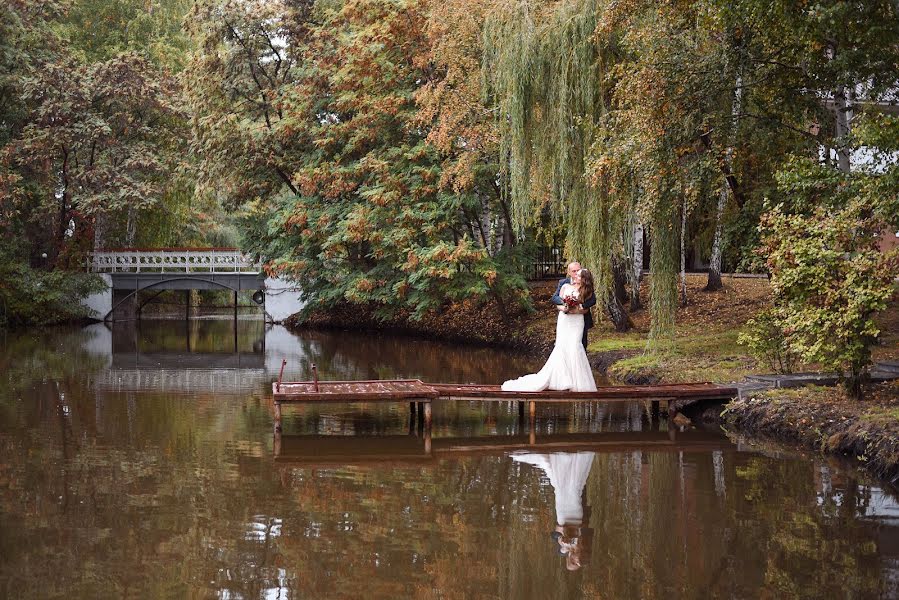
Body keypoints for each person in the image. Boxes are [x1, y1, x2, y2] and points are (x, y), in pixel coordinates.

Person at [501, 267, 597, 392]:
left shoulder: (587, 291)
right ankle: (562, 380)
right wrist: (565, 308)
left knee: (575, 346)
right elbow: (558, 303)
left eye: (578, 275)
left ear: (584, 279)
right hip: (565, 320)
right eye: (575, 273)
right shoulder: (565, 287)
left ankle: (578, 382)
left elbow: (585, 309)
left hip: (577, 322)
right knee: (562, 347)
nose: (575, 277)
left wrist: (576, 309)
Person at [513, 451, 595, 571]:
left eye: (573, 561)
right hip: (575, 516)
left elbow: (556, 532)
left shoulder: (564, 548)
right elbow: (585, 528)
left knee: (560, 490)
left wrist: (562, 537)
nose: (577, 559)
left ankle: (561, 461)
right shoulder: (584, 545)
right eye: (577, 561)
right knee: (574, 491)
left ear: (570, 559)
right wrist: (578, 539)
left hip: (563, 516)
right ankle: (570, 459)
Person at [552, 262, 596, 350]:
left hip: (580, 318)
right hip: (566, 317)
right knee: (564, 343)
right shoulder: (564, 283)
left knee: (580, 344)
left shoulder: (586, 284)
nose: (576, 273)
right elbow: (555, 297)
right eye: (574, 271)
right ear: (569, 272)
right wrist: (566, 304)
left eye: (578, 270)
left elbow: (592, 300)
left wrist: (581, 306)